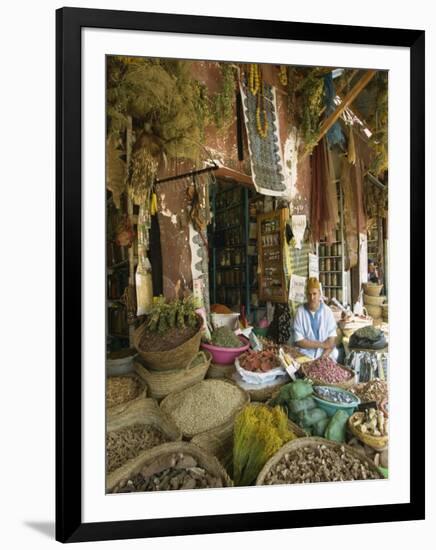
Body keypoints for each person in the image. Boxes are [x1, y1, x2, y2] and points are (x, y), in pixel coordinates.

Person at [293, 277, 338, 360]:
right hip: (306, 353)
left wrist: (323, 356)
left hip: (325, 353)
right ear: (306, 295)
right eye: (309, 294)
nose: (312, 297)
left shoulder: (327, 311)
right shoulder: (300, 312)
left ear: (319, 294)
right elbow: (299, 341)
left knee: (334, 354)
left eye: (314, 294)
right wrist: (322, 344)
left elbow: (332, 340)